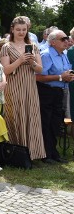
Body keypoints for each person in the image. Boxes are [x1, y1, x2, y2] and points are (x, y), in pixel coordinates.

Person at [0, 17, 45, 161]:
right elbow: (5, 70)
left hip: (30, 87)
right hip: (13, 87)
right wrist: (20, 60)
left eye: (24, 30)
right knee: (16, 118)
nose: (21, 32)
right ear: (12, 29)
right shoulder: (6, 47)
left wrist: (31, 62)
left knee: (31, 117)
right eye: (18, 29)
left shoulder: (33, 46)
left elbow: (40, 69)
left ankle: (33, 153)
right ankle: (16, 154)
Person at [36, 29, 74, 163]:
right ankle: (46, 154)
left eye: (66, 38)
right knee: (46, 122)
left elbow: (65, 72)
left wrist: (68, 77)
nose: (66, 41)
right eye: (62, 39)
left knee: (55, 123)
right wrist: (60, 77)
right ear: (52, 42)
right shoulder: (46, 55)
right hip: (47, 92)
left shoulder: (63, 54)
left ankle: (53, 152)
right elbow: (38, 77)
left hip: (59, 92)